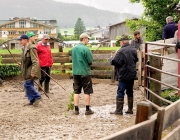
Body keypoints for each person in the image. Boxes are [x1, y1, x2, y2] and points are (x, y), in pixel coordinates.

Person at [110, 34, 138, 115]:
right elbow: (136, 59)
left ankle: (119, 110)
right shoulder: (133, 49)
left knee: (120, 91)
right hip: (132, 74)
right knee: (130, 91)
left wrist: (111, 58)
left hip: (123, 74)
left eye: (120, 42)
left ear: (122, 42)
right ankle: (130, 109)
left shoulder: (121, 51)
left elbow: (115, 61)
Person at [71, 33, 94, 115]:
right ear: (84, 39)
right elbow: (90, 61)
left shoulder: (73, 49)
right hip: (85, 72)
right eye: (88, 39)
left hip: (75, 72)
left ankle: (76, 109)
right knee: (87, 91)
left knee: (76, 91)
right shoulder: (86, 49)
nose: (88, 40)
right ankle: (87, 109)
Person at [18, 34, 42, 106]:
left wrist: (33, 72)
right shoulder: (24, 48)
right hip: (26, 70)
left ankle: (38, 96)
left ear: (25, 40)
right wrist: (21, 64)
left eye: (21, 40)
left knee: (27, 84)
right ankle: (32, 100)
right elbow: (26, 60)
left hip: (30, 70)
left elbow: (35, 61)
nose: (20, 42)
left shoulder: (31, 48)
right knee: (29, 84)